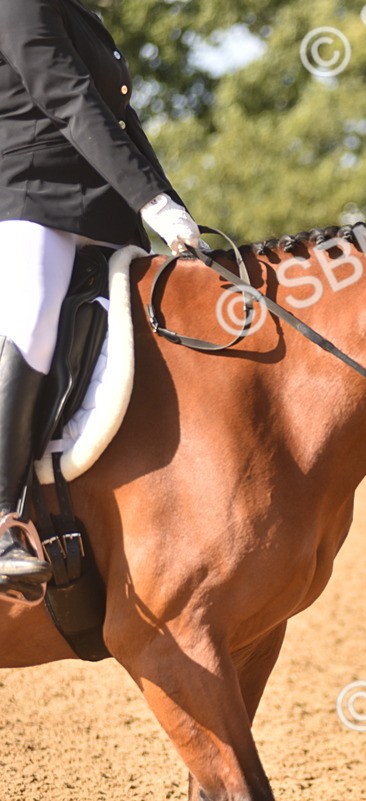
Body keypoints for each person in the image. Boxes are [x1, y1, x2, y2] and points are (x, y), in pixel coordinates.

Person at [0, 0, 202, 595]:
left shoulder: (82, 14)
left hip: (105, 209)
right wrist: (150, 202)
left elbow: (121, 123)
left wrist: (169, 204)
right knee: (32, 318)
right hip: (31, 196)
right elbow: (65, 97)